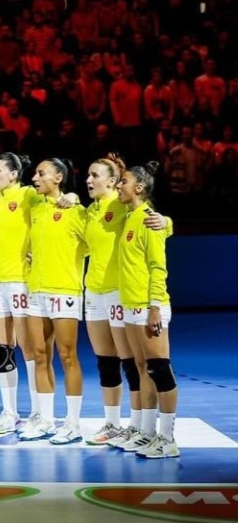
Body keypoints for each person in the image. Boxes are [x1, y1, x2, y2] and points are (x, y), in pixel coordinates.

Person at [0, 153, 75, 433]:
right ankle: (9, 412)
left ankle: (37, 411)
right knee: (2, 349)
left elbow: (56, 200)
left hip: (21, 281)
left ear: (13, 174)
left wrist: (72, 197)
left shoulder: (28, 195)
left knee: (31, 349)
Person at [83, 156, 170, 446]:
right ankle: (112, 423)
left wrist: (166, 221)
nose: (88, 180)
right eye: (88, 175)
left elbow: (152, 221)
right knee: (105, 362)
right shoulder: (88, 211)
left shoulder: (122, 205)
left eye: (95, 175)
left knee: (131, 363)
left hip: (119, 292)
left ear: (112, 181)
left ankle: (137, 424)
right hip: (93, 292)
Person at [19, 159, 87, 444]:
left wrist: (74, 197)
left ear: (58, 177)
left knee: (67, 355)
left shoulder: (76, 211)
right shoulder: (34, 208)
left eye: (41, 173)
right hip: (37, 291)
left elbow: (94, 243)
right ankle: (45, 419)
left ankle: (73, 424)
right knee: (39, 355)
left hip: (64, 291)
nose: (35, 178)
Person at [116, 162, 179, 458]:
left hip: (148, 306)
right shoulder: (129, 217)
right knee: (142, 369)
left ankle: (167, 439)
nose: (119, 186)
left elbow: (158, 267)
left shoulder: (149, 221)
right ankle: (147, 431)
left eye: (124, 181)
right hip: (131, 306)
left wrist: (155, 308)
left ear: (139, 187)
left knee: (159, 370)